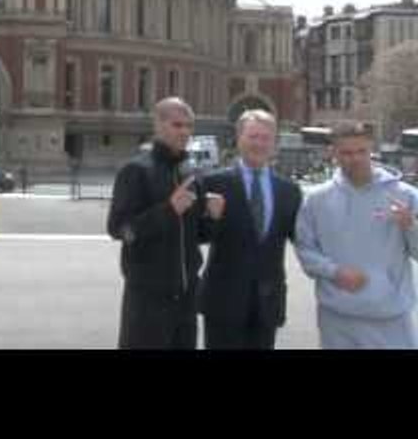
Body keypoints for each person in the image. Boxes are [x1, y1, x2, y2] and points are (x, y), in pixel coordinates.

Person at [107, 97, 224, 349]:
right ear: (158, 126)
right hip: (147, 300)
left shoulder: (192, 173)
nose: (185, 132)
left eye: (189, 126)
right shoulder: (136, 170)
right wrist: (168, 210)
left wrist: (213, 218)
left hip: (186, 298)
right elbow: (120, 229)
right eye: (177, 125)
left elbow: (197, 235)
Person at [295, 120, 418, 349]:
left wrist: (410, 225)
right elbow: (304, 249)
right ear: (333, 153)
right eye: (347, 153)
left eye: (362, 151)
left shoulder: (406, 196)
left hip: (390, 318)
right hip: (338, 318)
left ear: (371, 149)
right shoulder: (316, 200)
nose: (355, 159)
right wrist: (335, 272)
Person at [197, 109, 302, 349]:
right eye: (253, 136)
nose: (259, 144)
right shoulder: (213, 183)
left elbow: (303, 239)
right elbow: (196, 235)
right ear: (238, 139)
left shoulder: (289, 191)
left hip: (267, 302)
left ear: (274, 143)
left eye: (266, 138)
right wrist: (211, 218)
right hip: (222, 302)